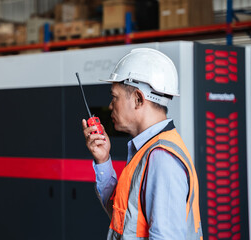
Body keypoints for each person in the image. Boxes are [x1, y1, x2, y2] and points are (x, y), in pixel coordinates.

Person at [82, 48, 202, 239]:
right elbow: (123, 218)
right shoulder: (149, 151)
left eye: (114, 97)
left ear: (138, 99)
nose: (111, 105)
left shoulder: (162, 158)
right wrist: (103, 160)